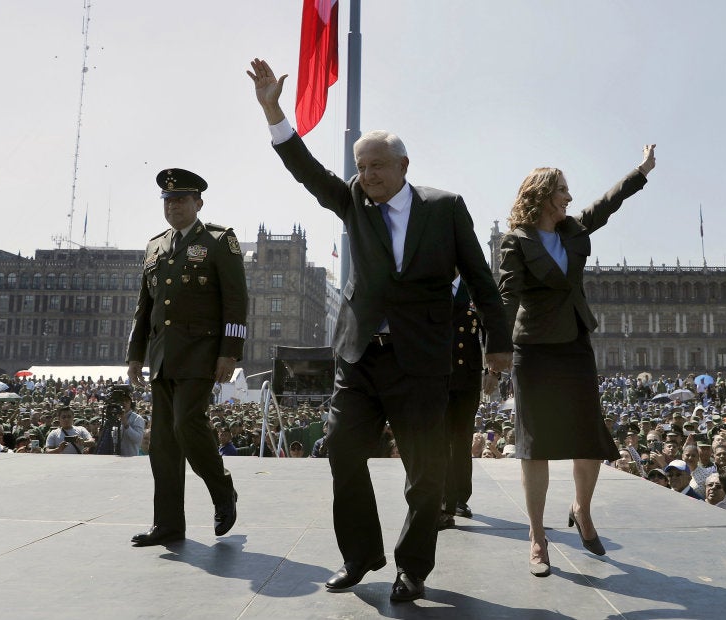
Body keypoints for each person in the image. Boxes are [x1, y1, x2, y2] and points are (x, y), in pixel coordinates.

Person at [247, 58, 513, 602]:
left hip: (420, 358)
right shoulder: (351, 201)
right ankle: (360, 554)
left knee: (425, 472)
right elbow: (306, 169)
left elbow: (482, 279)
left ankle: (412, 568)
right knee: (342, 448)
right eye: (360, 167)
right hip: (361, 353)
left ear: (403, 165)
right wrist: (275, 110)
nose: (366, 176)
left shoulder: (444, 208)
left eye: (375, 167)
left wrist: (500, 344)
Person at [497, 145, 655, 576]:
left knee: (590, 436)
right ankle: (537, 537)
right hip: (533, 349)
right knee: (535, 446)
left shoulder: (572, 230)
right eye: (562, 190)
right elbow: (507, 296)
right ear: (543, 195)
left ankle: (581, 510)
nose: (569, 196)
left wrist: (639, 172)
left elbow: (607, 205)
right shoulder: (516, 240)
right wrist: (495, 347)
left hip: (574, 343)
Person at [126, 167, 248, 547]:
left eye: (181, 199)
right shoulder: (155, 246)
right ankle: (167, 523)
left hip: (201, 353)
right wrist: (135, 356)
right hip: (162, 357)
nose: (174, 205)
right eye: (168, 200)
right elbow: (144, 308)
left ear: (198, 202)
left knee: (185, 424)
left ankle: (221, 489)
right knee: (162, 442)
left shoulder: (217, 241)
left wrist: (230, 353)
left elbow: (236, 302)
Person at [439, 275, 488, 531]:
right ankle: (441, 498)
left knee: (460, 440)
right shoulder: (432, 282)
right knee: (438, 440)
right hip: (437, 375)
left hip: (467, 378)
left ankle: (459, 498)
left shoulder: (474, 288)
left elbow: (491, 327)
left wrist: (493, 370)